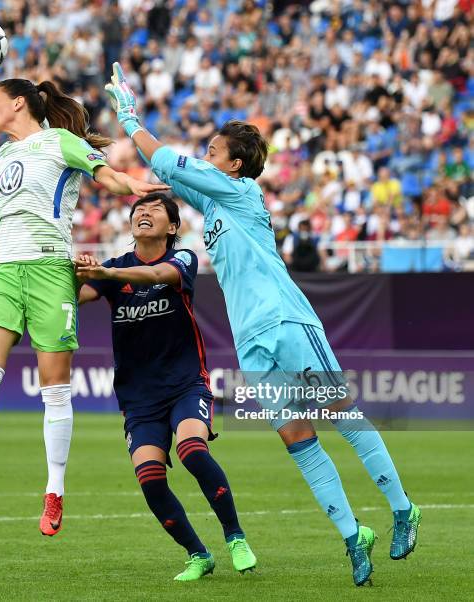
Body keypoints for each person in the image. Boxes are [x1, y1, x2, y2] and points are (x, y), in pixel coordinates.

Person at [105, 63, 421, 586]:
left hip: (286, 320)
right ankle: (352, 536)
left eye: (212, 149)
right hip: (250, 339)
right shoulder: (214, 200)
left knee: (340, 414)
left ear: (234, 163)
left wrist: (132, 118)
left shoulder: (242, 193)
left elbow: (165, 159)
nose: (205, 154)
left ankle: (403, 508)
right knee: (298, 438)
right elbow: (166, 176)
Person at [0, 78, 168, 537]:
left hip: (50, 269)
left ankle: (54, 492)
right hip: (3, 271)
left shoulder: (61, 142)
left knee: (55, 388)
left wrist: (137, 186)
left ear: (18, 102)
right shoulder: (5, 154)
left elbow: (107, 176)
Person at [75, 193, 256, 581]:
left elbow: (158, 276)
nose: (144, 212)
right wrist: (75, 274)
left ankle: (235, 536)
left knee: (192, 450)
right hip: (138, 396)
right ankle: (198, 554)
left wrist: (104, 274)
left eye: (156, 209)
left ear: (172, 227)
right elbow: (75, 297)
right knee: (150, 478)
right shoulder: (114, 268)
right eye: (139, 209)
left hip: (185, 383)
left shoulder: (184, 258)